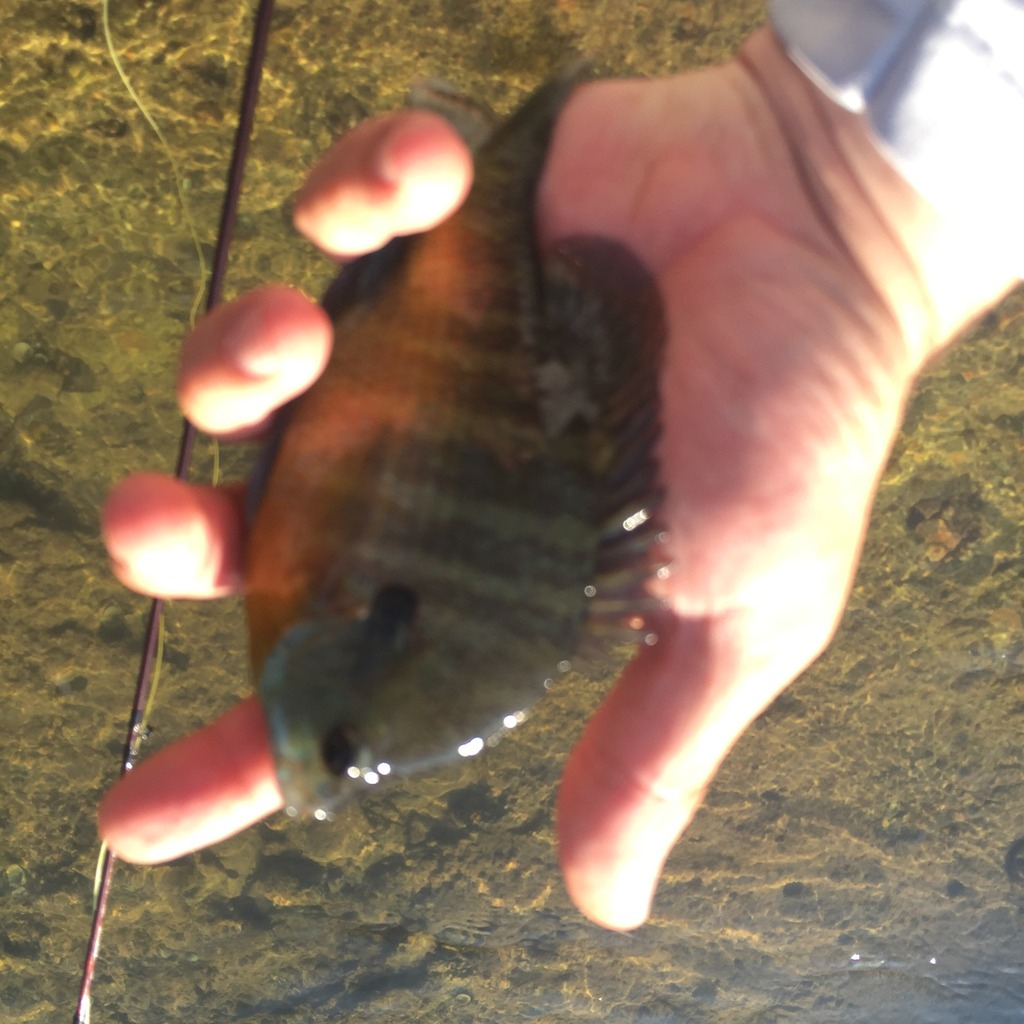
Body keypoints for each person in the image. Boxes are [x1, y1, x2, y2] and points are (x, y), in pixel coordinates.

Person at [97, 17, 1021, 931]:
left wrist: (866, 188)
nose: (320, 779)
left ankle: (493, 147)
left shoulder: (330, 614)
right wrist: (855, 185)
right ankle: (497, 144)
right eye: (342, 750)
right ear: (368, 637)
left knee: (291, 330)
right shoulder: (337, 617)